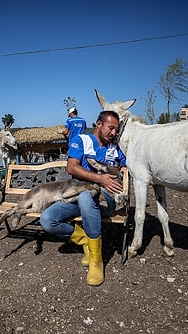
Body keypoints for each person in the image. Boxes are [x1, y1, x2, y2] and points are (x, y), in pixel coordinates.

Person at [41, 110, 125, 286]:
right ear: (99, 124)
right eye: (111, 128)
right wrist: (100, 178)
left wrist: (123, 177)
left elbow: (129, 166)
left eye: (116, 130)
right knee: (48, 219)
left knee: (87, 196)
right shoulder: (82, 141)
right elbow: (71, 168)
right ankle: (86, 241)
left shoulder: (116, 148)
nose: (114, 133)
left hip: (105, 199)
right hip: (78, 195)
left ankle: (96, 260)